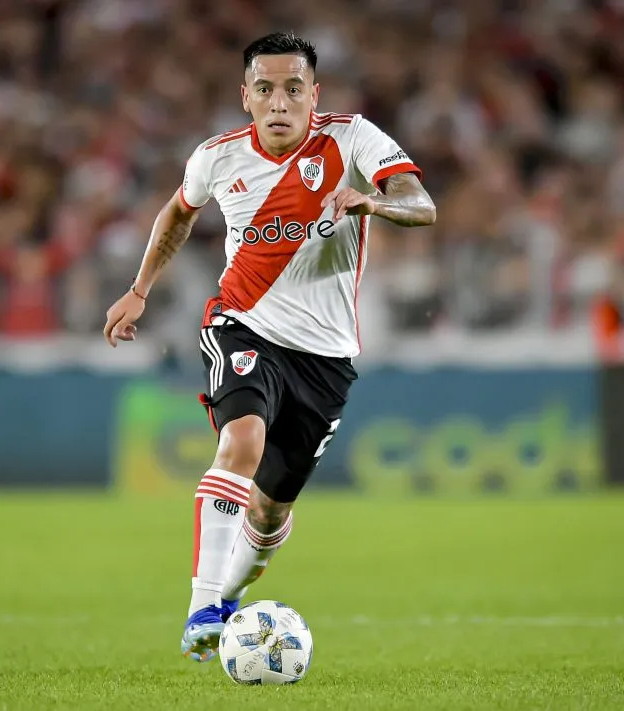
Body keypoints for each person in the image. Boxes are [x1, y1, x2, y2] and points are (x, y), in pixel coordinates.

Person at [102, 32, 436, 662]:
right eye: (265, 89)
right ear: (246, 98)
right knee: (242, 441)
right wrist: (139, 289)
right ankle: (203, 604)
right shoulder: (217, 158)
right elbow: (177, 213)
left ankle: (228, 595)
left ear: (314, 94)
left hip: (326, 357)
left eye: (292, 89)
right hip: (241, 322)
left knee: (269, 511)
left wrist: (374, 202)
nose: (279, 102)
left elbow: (423, 205)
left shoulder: (353, 139)